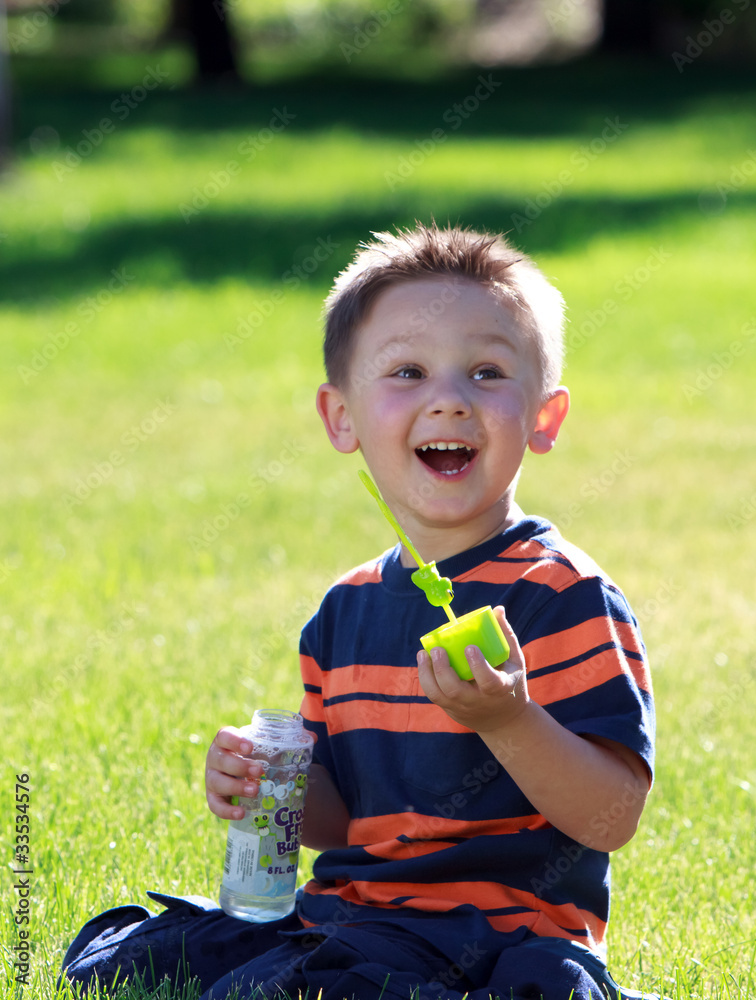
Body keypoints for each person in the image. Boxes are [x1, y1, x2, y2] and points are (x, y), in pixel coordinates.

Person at [62, 223, 657, 1000]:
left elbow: (610, 817)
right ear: (341, 418)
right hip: (349, 916)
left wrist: (508, 719)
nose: (448, 399)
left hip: (499, 934)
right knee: (146, 957)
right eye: (408, 371)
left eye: (486, 372)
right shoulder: (345, 610)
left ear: (544, 417)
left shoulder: (562, 594)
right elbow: (344, 825)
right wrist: (267, 785)